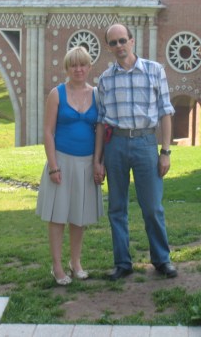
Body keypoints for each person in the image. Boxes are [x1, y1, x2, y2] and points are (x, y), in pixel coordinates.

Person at [93, 23, 177, 281]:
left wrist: (165, 152)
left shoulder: (155, 70)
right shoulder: (105, 79)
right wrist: (98, 160)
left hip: (145, 143)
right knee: (117, 207)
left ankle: (162, 260)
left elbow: (165, 112)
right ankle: (122, 263)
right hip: (115, 145)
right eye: (113, 42)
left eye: (122, 40)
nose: (119, 46)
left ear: (132, 41)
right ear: (109, 47)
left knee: (152, 207)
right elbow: (101, 122)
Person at [36, 46, 104, 286]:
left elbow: (100, 131)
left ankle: (76, 263)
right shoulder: (57, 94)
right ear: (67, 68)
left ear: (89, 67)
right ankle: (57, 266)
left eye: (82, 64)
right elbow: (48, 132)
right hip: (62, 161)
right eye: (73, 65)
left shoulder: (96, 95)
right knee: (58, 216)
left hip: (86, 163)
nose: (78, 69)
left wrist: (98, 161)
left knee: (79, 216)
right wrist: (53, 166)